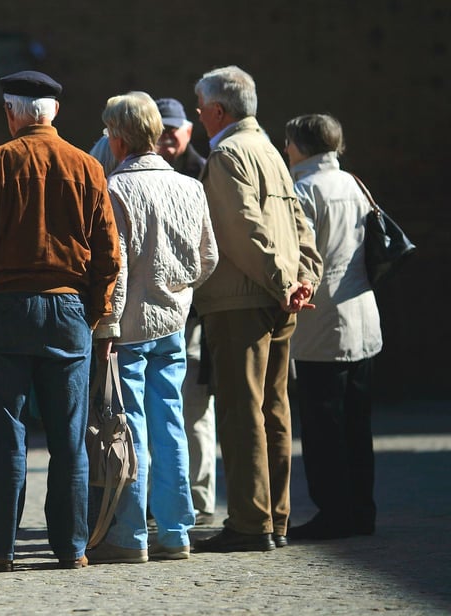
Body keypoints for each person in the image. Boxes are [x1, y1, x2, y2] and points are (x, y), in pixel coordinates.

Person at [0, 70, 120, 572]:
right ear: (55, 113)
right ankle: (71, 548)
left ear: (11, 113)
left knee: (6, 435)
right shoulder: (88, 166)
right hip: (68, 308)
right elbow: (109, 254)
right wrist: (94, 311)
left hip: (4, 310)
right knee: (69, 439)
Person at [190, 66, 323, 553]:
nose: (198, 114)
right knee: (274, 411)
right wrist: (303, 279)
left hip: (241, 300)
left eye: (201, 106)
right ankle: (276, 518)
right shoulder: (268, 149)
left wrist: (286, 280)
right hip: (280, 297)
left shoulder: (228, 153)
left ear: (218, 111)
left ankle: (251, 522)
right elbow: (298, 224)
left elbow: (242, 230)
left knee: (243, 412)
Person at [86, 92, 218, 565]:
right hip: (173, 323)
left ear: (118, 139)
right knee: (172, 426)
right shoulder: (189, 186)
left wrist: (107, 325)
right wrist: (179, 292)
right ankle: (177, 530)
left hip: (130, 328)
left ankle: (132, 533)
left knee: (131, 430)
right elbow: (210, 258)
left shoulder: (116, 189)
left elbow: (115, 271)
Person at [284, 114, 382, 540]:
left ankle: (334, 513)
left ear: (301, 146)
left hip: (322, 325)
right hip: (363, 317)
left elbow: (303, 259)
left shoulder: (304, 190)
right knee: (358, 425)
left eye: (288, 143)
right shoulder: (354, 184)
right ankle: (362, 510)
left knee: (324, 428)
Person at [154, 97, 216, 526]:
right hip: (160, 312)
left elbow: (210, 251)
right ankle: (168, 500)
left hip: (193, 314)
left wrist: (188, 291)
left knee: (193, 409)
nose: (169, 135)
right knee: (163, 410)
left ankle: (200, 498)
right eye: (163, 128)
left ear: (189, 130)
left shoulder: (205, 171)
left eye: (175, 127)